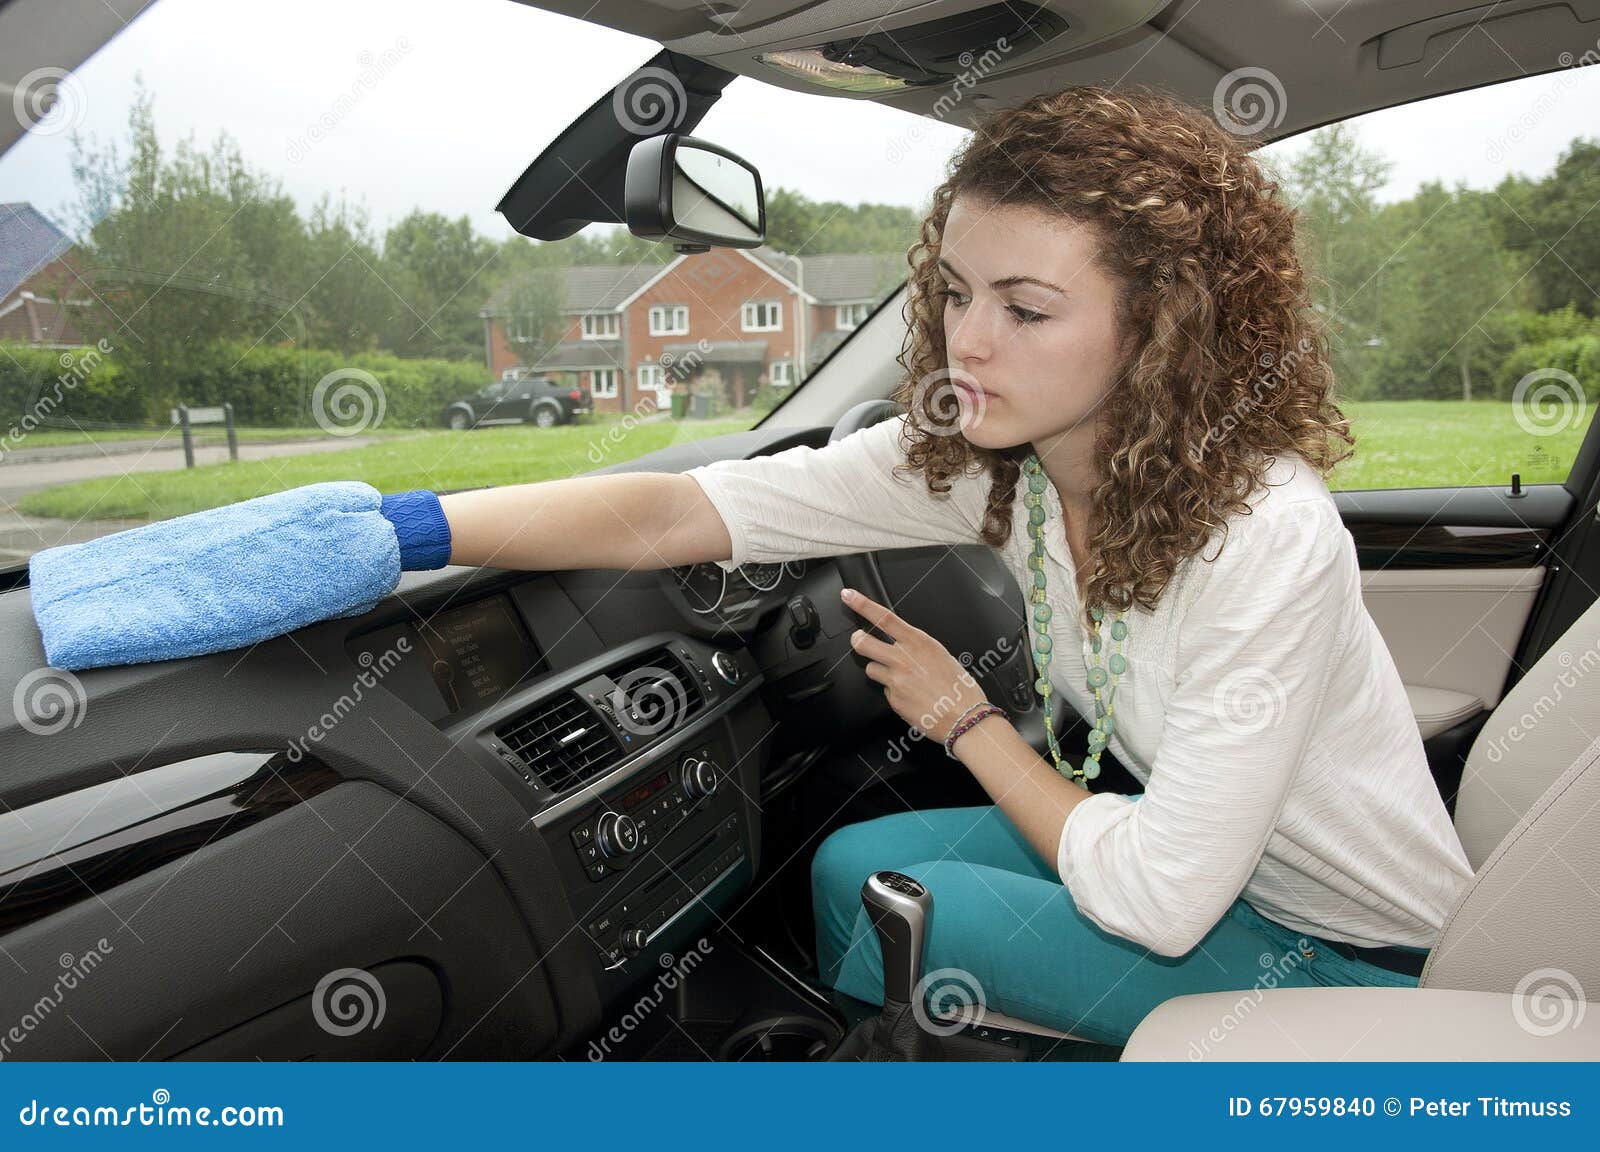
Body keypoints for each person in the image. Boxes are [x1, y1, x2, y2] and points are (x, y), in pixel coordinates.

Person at [431, 86, 1477, 1046]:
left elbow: (1160, 900)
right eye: (953, 293)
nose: (965, 343)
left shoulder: (1262, 536)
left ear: (1163, 328)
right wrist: (415, 530)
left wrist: (966, 722)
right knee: (848, 867)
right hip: (1219, 880)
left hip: (1360, 959)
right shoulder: (988, 462)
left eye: (1023, 310)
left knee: (899, 901)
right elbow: (692, 506)